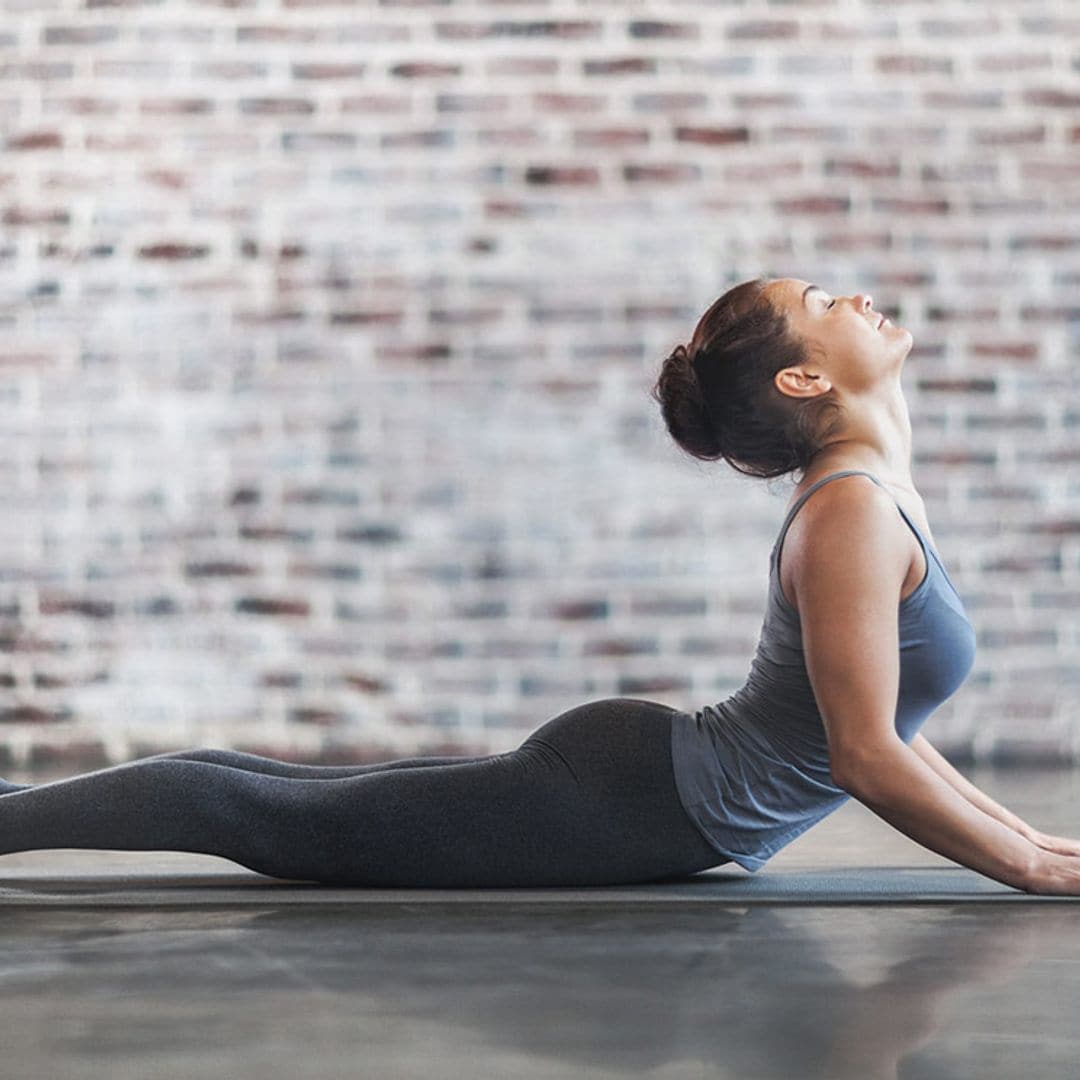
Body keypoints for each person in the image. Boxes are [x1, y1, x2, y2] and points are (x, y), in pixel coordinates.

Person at [2, 276, 1078, 893]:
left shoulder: (868, 494)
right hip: (632, 798)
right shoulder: (848, 511)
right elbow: (863, 755)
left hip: (644, 780)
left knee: (281, 791)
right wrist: (1030, 874)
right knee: (270, 815)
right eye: (821, 298)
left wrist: (1034, 843)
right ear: (805, 377)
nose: (853, 294)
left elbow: (884, 719)